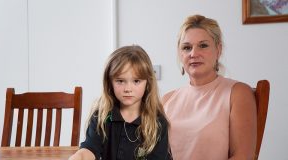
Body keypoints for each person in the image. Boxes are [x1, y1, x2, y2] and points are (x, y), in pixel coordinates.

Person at [162, 15, 257, 160]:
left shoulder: (238, 93)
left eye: (203, 45)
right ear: (180, 54)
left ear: (218, 50)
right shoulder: (167, 100)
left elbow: (243, 156)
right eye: (187, 48)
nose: (193, 54)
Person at [69, 45, 172, 160]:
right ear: (110, 83)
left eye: (136, 81)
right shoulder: (102, 116)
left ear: (147, 83)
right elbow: (89, 149)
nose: (128, 89)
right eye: (120, 81)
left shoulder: (157, 121)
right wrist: (79, 157)